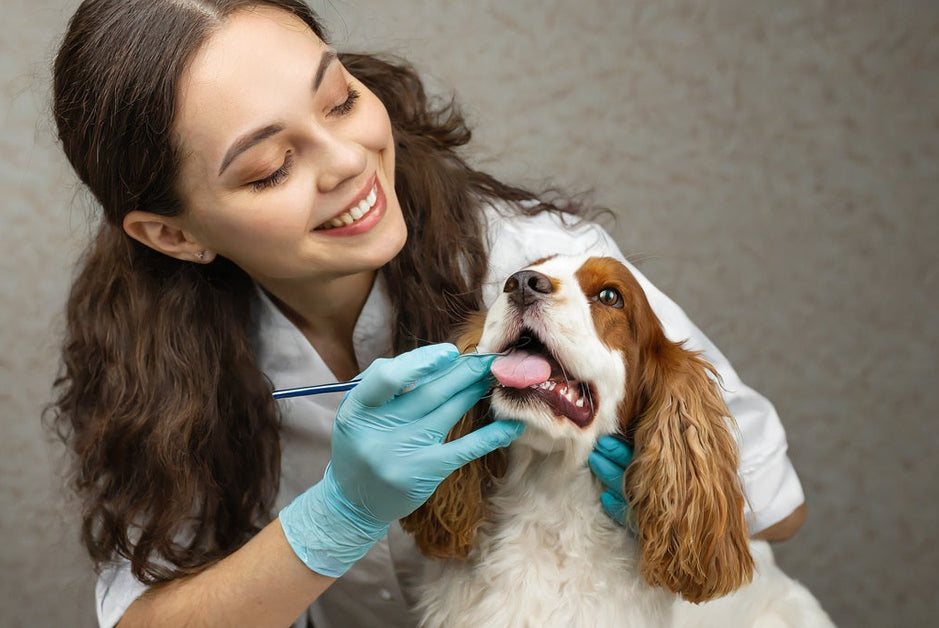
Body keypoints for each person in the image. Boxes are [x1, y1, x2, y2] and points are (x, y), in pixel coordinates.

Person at [47, 1, 807, 626]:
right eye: (270, 167)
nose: (347, 161)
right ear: (172, 233)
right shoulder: (148, 357)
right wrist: (336, 518)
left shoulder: (536, 262)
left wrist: (660, 497)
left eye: (340, 99)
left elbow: (777, 514)